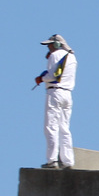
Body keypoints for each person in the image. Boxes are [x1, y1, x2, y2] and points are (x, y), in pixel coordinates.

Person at [34, 34, 77, 169]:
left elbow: (53, 76)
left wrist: (41, 78)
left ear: (57, 44)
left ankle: (52, 160)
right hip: (67, 94)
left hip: (55, 92)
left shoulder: (55, 55)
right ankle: (68, 161)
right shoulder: (72, 57)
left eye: (50, 44)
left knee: (51, 127)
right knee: (64, 129)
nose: (48, 47)